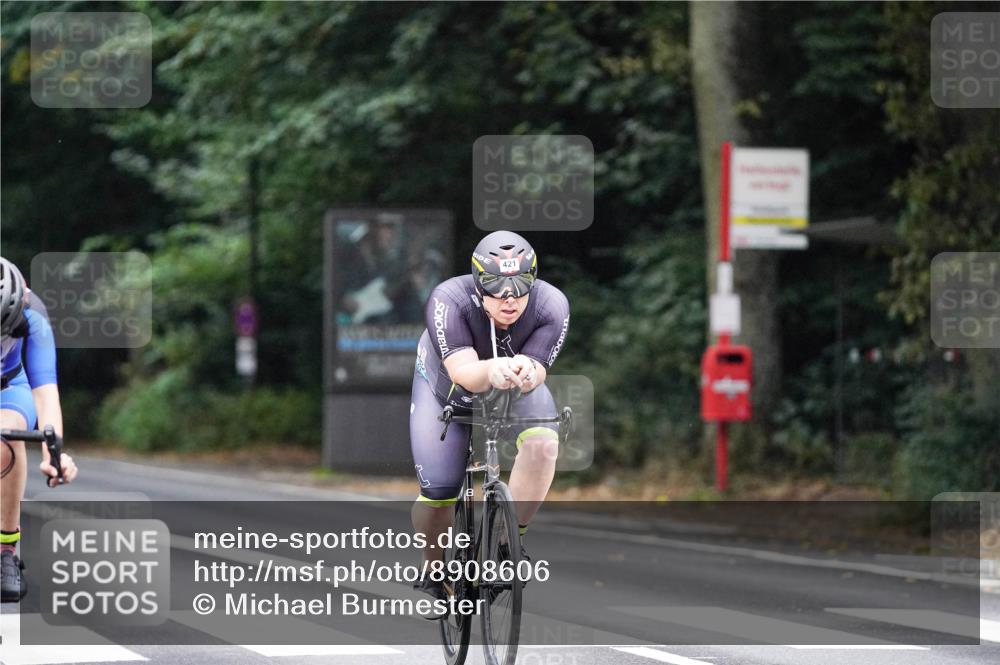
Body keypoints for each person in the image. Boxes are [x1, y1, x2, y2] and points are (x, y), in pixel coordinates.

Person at [409, 231, 570, 603]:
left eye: (520, 286)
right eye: (497, 288)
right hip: (446, 385)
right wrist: (492, 370)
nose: (510, 299)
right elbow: (465, 373)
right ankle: (434, 571)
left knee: (544, 442)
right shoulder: (448, 300)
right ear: (479, 285)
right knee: (439, 491)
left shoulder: (552, 305)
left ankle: (507, 544)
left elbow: (539, 366)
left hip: (511, 384)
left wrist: (528, 371)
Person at [0, 257, 78, 603]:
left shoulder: (33, 313)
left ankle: (6, 550)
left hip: (9, 387)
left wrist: (54, 454)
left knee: (7, 435)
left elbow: (45, 395)